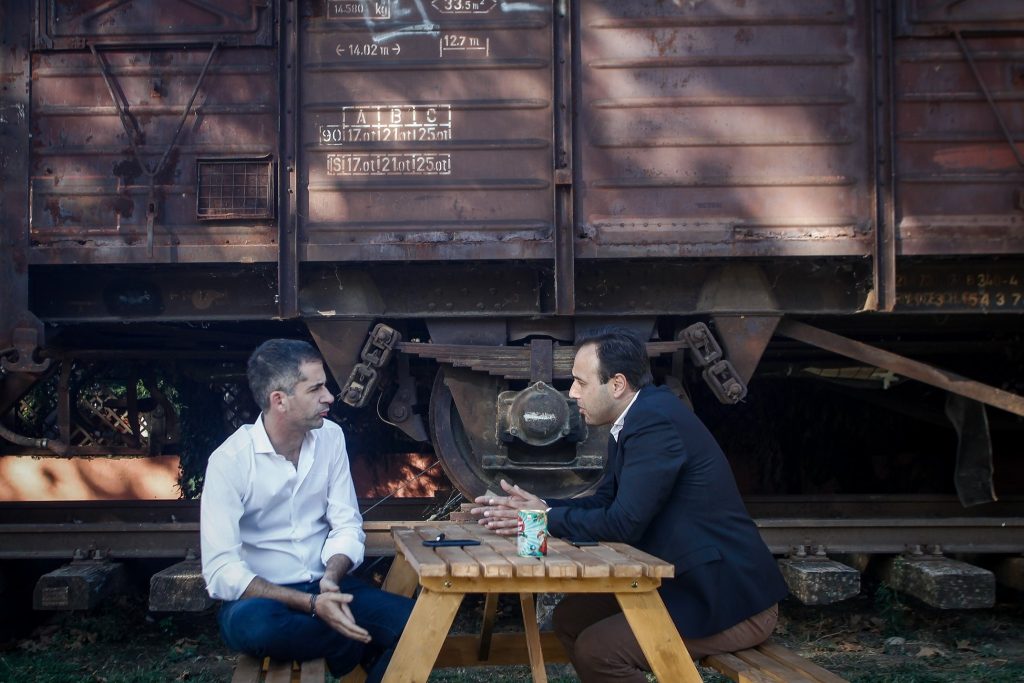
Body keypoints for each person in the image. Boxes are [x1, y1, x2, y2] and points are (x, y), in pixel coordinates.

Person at [472, 327, 788, 681]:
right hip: (684, 582)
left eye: (581, 383)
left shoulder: (655, 423)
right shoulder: (636, 417)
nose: (572, 393)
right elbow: (607, 501)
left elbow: (623, 524)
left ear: (617, 384)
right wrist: (542, 505)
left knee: (598, 650)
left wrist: (543, 519)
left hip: (729, 599)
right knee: (570, 619)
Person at [200, 339, 413, 681]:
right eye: (315, 389)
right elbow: (221, 571)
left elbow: (346, 524)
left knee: (417, 623)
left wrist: (330, 580)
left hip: (327, 586)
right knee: (258, 629)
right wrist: (312, 606)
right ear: (279, 400)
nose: (329, 397)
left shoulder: (331, 437)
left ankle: (338, 637)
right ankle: (353, 645)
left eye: (324, 386)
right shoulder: (230, 461)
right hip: (262, 599)